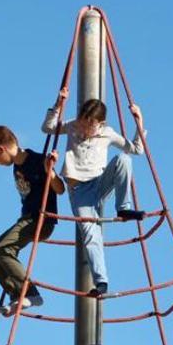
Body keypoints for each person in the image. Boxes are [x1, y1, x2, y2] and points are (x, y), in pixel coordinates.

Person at [42, 92, 147, 297]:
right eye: (83, 122)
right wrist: (58, 103)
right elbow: (47, 128)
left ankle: (123, 208)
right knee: (91, 234)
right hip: (79, 192)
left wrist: (139, 120)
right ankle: (101, 282)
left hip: (99, 183)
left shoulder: (107, 133)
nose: (85, 128)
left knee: (124, 160)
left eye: (90, 125)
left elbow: (136, 149)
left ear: (100, 123)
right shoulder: (72, 127)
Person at [0, 125, 65, 316]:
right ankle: (16, 295)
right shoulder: (17, 166)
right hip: (27, 219)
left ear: (2, 149)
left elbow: (60, 189)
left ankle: (32, 294)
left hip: (41, 220)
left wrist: (50, 172)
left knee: (3, 249)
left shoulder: (38, 161)